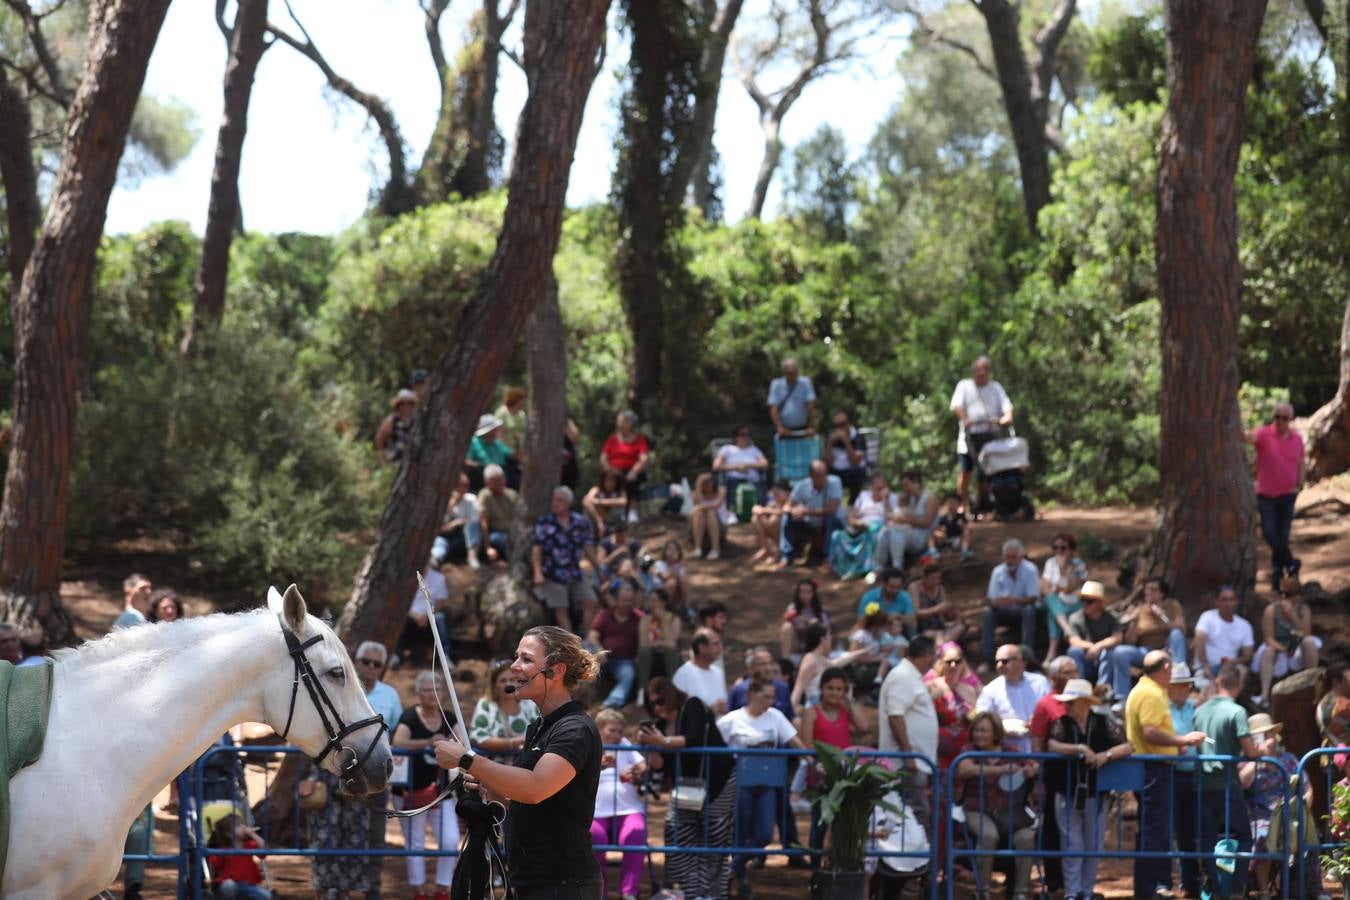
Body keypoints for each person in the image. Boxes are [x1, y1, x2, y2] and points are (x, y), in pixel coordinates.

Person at [433, 627, 605, 900]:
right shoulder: (537, 727)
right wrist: (489, 785)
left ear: (556, 670)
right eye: (516, 657)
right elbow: (523, 798)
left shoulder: (574, 729)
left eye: (526, 659)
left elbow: (536, 788)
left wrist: (469, 761)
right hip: (531, 881)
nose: (514, 666)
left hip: (564, 885)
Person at [639, 675, 736, 899]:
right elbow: (661, 765)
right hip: (688, 786)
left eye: (660, 701)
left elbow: (693, 739)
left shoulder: (692, 706)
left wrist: (662, 741)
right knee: (678, 833)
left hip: (718, 780)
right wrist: (650, 744)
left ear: (671, 696)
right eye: (651, 703)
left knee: (715, 837)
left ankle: (713, 893)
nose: (657, 707)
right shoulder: (660, 726)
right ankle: (686, 892)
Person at [1124, 650, 1207, 899]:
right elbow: (1150, 732)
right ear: (1167, 668)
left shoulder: (1146, 690)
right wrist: (1183, 739)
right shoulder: (1150, 694)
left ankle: (1150, 887)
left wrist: (1174, 744)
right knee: (1154, 831)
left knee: (1154, 830)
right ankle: (1148, 889)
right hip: (1154, 769)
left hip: (1154, 767)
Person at [717, 675, 808, 895]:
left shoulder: (776, 716)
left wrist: (810, 759)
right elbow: (713, 743)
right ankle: (741, 881)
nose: (771, 701)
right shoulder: (732, 719)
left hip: (767, 783)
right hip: (740, 783)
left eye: (773, 696)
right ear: (751, 695)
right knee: (740, 833)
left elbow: (794, 740)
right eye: (766, 696)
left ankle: (729, 871)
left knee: (765, 833)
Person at [1045, 679, 1132, 900]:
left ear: (1085, 702)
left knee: (1092, 843)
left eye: (1072, 702)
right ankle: (1072, 892)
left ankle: (1086, 890)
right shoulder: (1061, 724)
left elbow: (1128, 746)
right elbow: (1052, 744)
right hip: (1066, 790)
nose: (1067, 706)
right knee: (1070, 842)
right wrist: (1080, 748)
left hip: (1097, 792)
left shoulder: (1103, 722)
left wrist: (1106, 756)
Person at [1193, 663, 1261, 899]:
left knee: (1207, 838)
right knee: (1244, 836)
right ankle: (1235, 890)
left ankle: (1212, 887)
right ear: (1239, 685)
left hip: (1201, 782)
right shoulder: (1236, 712)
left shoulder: (1199, 711)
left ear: (1218, 682)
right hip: (1226, 782)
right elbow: (1250, 751)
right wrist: (1258, 751)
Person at [955, 711, 1037, 899]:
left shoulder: (1010, 751)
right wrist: (1000, 770)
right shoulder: (969, 750)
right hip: (977, 808)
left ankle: (1021, 892)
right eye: (976, 730)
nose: (979, 735)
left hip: (1009, 811)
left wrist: (1032, 770)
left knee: (1027, 837)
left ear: (995, 732)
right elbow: (965, 769)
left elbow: (1032, 764)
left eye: (984, 731)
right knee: (988, 835)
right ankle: (982, 891)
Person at [393, 672, 460, 900]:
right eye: (427, 689)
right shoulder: (410, 716)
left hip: (442, 791)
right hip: (410, 792)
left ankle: (443, 887)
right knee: (415, 842)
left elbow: (463, 742)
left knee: (450, 840)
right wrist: (427, 742)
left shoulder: (449, 717)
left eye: (437, 689)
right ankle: (418, 889)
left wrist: (449, 744)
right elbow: (398, 742)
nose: (433, 694)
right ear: (418, 693)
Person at [1240, 712, 1310, 900]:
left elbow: (1307, 788)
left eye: (1270, 733)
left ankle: (1312, 888)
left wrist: (1304, 810)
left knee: (1308, 831)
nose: (1269, 739)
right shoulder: (1247, 761)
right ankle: (1264, 890)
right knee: (1265, 834)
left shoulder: (1288, 758)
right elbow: (1243, 783)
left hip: (1290, 810)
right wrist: (1259, 756)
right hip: (1260, 814)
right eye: (1263, 735)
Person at [800, 667, 865, 866]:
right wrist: (821, 766)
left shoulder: (846, 711)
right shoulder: (811, 712)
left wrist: (851, 700)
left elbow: (863, 727)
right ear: (821, 688)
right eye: (830, 688)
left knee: (842, 824)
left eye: (840, 689)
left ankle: (838, 865)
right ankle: (815, 869)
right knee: (819, 825)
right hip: (821, 776)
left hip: (845, 777)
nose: (835, 693)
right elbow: (806, 744)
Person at [878, 636, 939, 835]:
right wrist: (908, 755)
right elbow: (895, 717)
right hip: (907, 763)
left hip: (914, 761)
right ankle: (918, 863)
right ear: (926, 656)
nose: (933, 662)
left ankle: (917, 862)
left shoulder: (909, 676)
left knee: (914, 813)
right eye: (933, 657)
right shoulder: (903, 676)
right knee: (916, 813)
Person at [1244, 400, 1304, 589]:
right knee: (1270, 534)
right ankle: (1291, 563)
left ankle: (1278, 577)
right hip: (1266, 495)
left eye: (1284, 418)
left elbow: (1301, 462)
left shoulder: (1297, 439)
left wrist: (1300, 485)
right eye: (1277, 417)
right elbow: (1247, 438)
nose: (1280, 421)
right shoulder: (1264, 434)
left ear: (1290, 419)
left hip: (1288, 495)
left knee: (1282, 537)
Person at [1100, 576, 1188, 703]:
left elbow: (1182, 629)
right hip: (1146, 652)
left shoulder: (1172, 605)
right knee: (1120, 652)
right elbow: (1130, 641)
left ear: (1162, 593)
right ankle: (1121, 698)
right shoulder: (1139, 609)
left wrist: (1162, 616)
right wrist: (1134, 623)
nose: (1148, 592)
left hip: (1167, 649)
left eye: (1153, 589)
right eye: (1147, 589)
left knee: (1176, 634)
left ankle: (1180, 674)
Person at [590, 708, 647, 900]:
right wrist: (599, 764)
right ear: (600, 729)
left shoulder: (624, 744)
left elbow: (642, 764)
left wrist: (637, 770)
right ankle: (600, 893)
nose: (616, 735)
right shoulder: (591, 744)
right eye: (611, 730)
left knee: (636, 833)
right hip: (595, 811)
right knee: (592, 839)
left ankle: (629, 892)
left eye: (619, 731)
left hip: (628, 808)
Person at [532, 486, 601, 631]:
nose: (555, 503)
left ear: (568, 503)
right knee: (562, 610)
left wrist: (598, 568)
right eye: (554, 500)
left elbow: (588, 547)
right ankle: (571, 646)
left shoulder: (580, 521)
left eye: (560, 500)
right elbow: (537, 549)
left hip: (575, 571)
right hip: (553, 573)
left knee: (592, 601)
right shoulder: (545, 522)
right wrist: (537, 573)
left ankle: (586, 636)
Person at [950, 355, 1013, 514]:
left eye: (985, 370)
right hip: (969, 438)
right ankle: (962, 504)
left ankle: (982, 503)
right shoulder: (964, 386)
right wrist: (964, 419)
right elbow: (956, 405)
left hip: (991, 439)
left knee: (986, 472)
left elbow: (1007, 406)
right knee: (966, 470)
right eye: (978, 370)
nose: (981, 373)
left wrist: (1007, 417)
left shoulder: (995, 388)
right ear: (973, 371)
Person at [1253, 577, 1321, 707]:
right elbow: (1269, 638)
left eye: (1288, 594)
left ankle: (1313, 687)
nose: (1284, 596)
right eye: (1281, 592)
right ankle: (1264, 695)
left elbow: (1305, 634)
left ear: (1298, 595)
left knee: (1309, 642)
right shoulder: (1271, 610)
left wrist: (1293, 616)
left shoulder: (1304, 609)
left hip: (1298, 646)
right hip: (1278, 646)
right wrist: (1284, 649)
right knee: (1268, 651)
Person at [975, 643, 1049, 754]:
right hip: (1007, 757)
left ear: (1020, 661)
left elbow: (1051, 711)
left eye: (1004, 661)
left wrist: (1038, 720)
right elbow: (980, 721)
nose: (999, 665)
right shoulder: (990, 690)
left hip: (1041, 753)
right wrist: (1006, 726)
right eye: (997, 662)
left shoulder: (1040, 683)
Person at [980, 539, 1040, 666]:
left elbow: (1033, 597)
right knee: (989, 614)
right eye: (1007, 557)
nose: (1010, 561)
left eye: (1013, 557)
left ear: (1021, 557)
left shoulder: (1030, 569)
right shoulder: (997, 572)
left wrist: (1012, 600)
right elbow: (992, 600)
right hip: (1004, 612)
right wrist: (999, 603)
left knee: (1029, 610)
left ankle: (1026, 656)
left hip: (1023, 611)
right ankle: (987, 659)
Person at [469, 658, 541, 762]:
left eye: (512, 680)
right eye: (503, 681)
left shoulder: (529, 704)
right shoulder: (486, 705)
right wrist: (513, 742)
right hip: (491, 766)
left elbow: (540, 733)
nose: (508, 684)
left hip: (524, 768)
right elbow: (477, 737)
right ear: (494, 686)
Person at [587, 578, 643, 708]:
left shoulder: (639, 617)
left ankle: (612, 702)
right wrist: (599, 649)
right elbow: (592, 635)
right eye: (624, 600)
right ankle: (582, 698)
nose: (627, 604)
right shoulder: (604, 615)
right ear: (616, 600)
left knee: (628, 674)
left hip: (625, 661)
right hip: (603, 658)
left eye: (630, 601)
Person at [828, 472, 894, 580]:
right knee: (836, 535)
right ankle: (841, 567)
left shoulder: (892, 498)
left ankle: (867, 568)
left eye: (883, 486)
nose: (880, 489)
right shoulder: (864, 496)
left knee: (873, 531)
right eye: (877, 486)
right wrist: (855, 523)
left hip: (878, 528)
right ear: (871, 487)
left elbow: (891, 519)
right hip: (860, 527)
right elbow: (852, 515)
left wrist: (885, 500)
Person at [925, 642, 979, 773]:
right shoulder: (931, 686)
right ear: (942, 663)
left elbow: (976, 717)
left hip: (963, 751)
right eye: (949, 662)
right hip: (938, 749)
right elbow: (922, 710)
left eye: (957, 661)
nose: (953, 665)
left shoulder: (970, 690)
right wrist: (936, 694)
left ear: (962, 664)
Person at [779, 460, 844, 567]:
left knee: (831, 518)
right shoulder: (802, 485)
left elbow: (832, 509)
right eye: (819, 475)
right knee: (787, 517)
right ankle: (786, 556)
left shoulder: (835, 482)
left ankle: (828, 558)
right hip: (811, 526)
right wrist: (794, 511)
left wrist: (805, 511)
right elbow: (786, 506)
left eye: (824, 474)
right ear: (811, 476)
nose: (823, 478)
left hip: (833, 526)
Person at [875, 471, 938, 575]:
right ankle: (879, 567)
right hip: (909, 533)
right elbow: (892, 514)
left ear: (916, 482)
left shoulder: (930, 498)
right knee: (885, 531)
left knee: (895, 531)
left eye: (906, 485)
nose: (905, 489)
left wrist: (905, 520)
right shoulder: (910, 499)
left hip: (924, 537)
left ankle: (897, 567)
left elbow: (927, 522)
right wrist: (885, 500)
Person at [1193, 584, 1256, 687]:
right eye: (1224, 600)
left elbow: (1247, 655)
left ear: (1236, 602)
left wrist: (1233, 662)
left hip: (1229, 669)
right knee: (1207, 687)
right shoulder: (1207, 617)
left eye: (1231, 600)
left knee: (1242, 670)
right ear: (1217, 602)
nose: (1228, 604)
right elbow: (1200, 643)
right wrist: (1205, 666)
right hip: (1205, 668)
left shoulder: (1244, 625)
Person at [1040, 533, 1088, 665]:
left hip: (1073, 603)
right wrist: (1058, 587)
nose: (1059, 551)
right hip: (1056, 601)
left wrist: (1063, 570)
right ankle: (1067, 629)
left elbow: (1069, 588)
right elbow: (1045, 588)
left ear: (1071, 549)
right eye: (1056, 548)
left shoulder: (1078, 564)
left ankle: (1051, 653)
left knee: (1053, 614)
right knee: (1051, 598)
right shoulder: (1050, 563)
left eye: (1063, 548)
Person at [396, 564, 453, 667]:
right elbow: (401, 603)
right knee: (399, 619)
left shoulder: (439, 578)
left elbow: (440, 602)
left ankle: (445, 655)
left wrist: (428, 615)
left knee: (441, 619)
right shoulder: (407, 577)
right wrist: (415, 616)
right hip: (411, 614)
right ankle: (395, 655)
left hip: (432, 613)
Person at [601, 410, 651, 524]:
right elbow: (603, 457)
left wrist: (634, 471)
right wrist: (609, 468)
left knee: (632, 481)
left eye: (623, 421)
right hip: (613, 471)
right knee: (612, 480)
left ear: (630, 423)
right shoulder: (612, 439)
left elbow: (643, 458)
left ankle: (632, 512)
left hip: (632, 471)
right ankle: (616, 512)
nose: (619, 423)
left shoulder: (639, 440)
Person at [1064, 580, 1118, 685]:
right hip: (1085, 661)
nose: (1084, 604)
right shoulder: (1075, 618)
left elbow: (1117, 638)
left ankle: (1102, 689)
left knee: (1110, 653)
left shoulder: (1111, 618)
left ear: (1099, 603)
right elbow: (1073, 641)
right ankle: (1079, 688)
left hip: (1104, 661)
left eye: (1089, 601)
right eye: (1082, 600)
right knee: (1073, 651)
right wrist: (1091, 647)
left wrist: (1098, 647)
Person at [207, 814, 270, 900]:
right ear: (228, 833)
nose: (243, 827)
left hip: (249, 885)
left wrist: (253, 834)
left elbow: (265, 849)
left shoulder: (249, 845)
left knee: (267, 896)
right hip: (231, 885)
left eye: (242, 824)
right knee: (228, 886)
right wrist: (211, 879)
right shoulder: (225, 850)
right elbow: (214, 863)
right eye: (238, 826)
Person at [673, 628, 728, 715]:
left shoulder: (718, 672)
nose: (720, 648)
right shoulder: (683, 674)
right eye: (715, 644)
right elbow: (677, 712)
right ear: (702, 648)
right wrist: (708, 711)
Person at [728, 647, 794, 720]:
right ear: (752, 668)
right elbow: (730, 717)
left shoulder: (783, 688)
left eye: (770, 663)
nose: (768, 668)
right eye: (762, 664)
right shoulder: (739, 690)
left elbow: (790, 717)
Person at [637, 588, 682, 693]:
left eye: (654, 600)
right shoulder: (645, 619)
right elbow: (643, 643)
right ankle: (642, 690)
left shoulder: (675, 619)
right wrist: (660, 644)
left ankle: (673, 689)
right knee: (643, 651)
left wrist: (664, 621)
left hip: (669, 655)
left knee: (672, 652)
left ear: (663, 602)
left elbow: (672, 644)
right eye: (649, 600)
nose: (651, 603)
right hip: (650, 655)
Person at [432, 473, 482, 569]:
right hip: (447, 537)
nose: (466, 488)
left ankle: (472, 557)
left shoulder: (471, 499)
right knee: (440, 543)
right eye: (463, 485)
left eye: (467, 485)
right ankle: (435, 558)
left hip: (464, 538)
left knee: (472, 526)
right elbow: (440, 524)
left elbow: (474, 520)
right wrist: (451, 504)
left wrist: (457, 522)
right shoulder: (443, 500)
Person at [910, 562, 965, 643]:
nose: (936, 582)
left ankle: (944, 642)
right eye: (932, 579)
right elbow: (915, 613)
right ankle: (945, 643)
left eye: (938, 578)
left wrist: (951, 612)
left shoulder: (940, 589)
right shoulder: (915, 587)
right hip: (924, 630)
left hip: (940, 627)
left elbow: (947, 615)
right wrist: (935, 610)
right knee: (933, 635)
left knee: (960, 627)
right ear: (924, 577)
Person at [713, 425, 769, 505]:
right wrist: (737, 468)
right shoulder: (727, 449)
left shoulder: (754, 450)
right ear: (736, 436)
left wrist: (748, 465)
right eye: (743, 434)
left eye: (748, 434)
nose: (746, 437)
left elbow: (765, 463)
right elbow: (716, 466)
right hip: (733, 481)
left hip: (753, 481)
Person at [780, 578, 830, 661]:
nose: (804, 596)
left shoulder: (821, 611)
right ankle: (786, 661)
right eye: (802, 592)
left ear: (813, 593)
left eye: (808, 592)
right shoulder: (793, 608)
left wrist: (811, 624)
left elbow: (826, 632)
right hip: (797, 644)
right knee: (786, 626)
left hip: (814, 645)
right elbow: (787, 631)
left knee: (815, 624)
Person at [822, 409, 868, 501]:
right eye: (837, 426)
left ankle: (853, 503)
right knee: (822, 472)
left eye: (843, 424)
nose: (840, 428)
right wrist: (830, 443)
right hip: (835, 471)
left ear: (849, 423)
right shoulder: (831, 437)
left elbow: (855, 460)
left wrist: (846, 441)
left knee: (857, 472)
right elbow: (828, 462)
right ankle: (830, 503)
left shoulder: (858, 437)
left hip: (852, 472)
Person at [478, 464, 519, 564]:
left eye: (501, 479)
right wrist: (488, 548)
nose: (500, 483)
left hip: (514, 532)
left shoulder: (512, 494)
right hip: (496, 534)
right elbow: (484, 522)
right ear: (487, 482)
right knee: (503, 540)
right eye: (495, 481)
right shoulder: (485, 495)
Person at [767, 356, 817, 436]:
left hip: (803, 429)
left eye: (794, 371)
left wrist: (812, 426)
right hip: (784, 431)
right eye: (789, 372)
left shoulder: (805, 382)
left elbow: (810, 406)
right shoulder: (776, 384)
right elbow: (773, 408)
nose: (791, 374)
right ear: (783, 372)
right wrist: (780, 427)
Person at [857, 568, 916, 634]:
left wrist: (899, 617)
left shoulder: (905, 596)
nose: (895, 591)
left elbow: (912, 619)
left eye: (898, 587)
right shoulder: (869, 597)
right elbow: (861, 620)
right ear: (884, 583)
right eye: (891, 587)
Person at [467, 414, 516, 490]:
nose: (496, 431)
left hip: (503, 474)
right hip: (481, 477)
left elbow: (512, 455)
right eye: (494, 429)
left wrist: (517, 445)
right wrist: (481, 466)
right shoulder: (474, 443)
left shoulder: (497, 443)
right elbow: (467, 461)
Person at [688, 472, 727, 559]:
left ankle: (716, 548)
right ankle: (697, 548)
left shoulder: (721, 491)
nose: (708, 484)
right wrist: (698, 484)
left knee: (710, 512)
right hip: (700, 524)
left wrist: (698, 508)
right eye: (705, 482)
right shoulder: (695, 494)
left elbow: (716, 505)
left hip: (719, 525)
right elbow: (700, 504)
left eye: (710, 481)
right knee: (699, 514)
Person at [751, 481, 791, 563]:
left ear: (787, 492)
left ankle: (779, 551)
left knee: (774, 520)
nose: (775, 497)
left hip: (792, 533)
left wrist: (765, 510)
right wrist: (758, 509)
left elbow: (784, 511)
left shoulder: (791, 500)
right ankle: (765, 549)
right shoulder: (774, 502)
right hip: (772, 528)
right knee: (756, 518)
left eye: (778, 494)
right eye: (774, 494)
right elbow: (761, 510)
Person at [583, 471, 629, 540]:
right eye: (608, 479)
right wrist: (599, 520)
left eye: (613, 480)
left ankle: (619, 534)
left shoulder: (619, 491)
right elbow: (587, 500)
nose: (611, 483)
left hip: (612, 522)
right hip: (596, 522)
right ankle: (591, 534)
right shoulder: (596, 489)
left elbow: (623, 502)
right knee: (588, 505)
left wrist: (600, 502)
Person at [375, 388, 417, 463]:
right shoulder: (392, 420)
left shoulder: (416, 420)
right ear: (398, 405)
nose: (406, 405)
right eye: (403, 403)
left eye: (409, 402)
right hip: (393, 461)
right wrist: (382, 458)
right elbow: (379, 439)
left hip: (410, 463)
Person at [928, 492, 972, 560]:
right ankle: (933, 551)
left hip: (958, 540)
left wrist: (962, 526)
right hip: (947, 540)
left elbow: (965, 529)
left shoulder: (960, 516)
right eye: (949, 502)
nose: (951, 505)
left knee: (966, 532)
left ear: (959, 504)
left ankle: (964, 550)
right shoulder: (944, 518)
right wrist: (939, 533)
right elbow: (937, 529)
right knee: (931, 534)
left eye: (954, 503)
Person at [651, 541, 689, 613]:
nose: (672, 552)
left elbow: (683, 582)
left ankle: (686, 608)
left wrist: (678, 568)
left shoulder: (680, 566)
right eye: (669, 549)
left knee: (682, 580)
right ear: (665, 551)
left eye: (674, 550)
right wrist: (676, 567)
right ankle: (667, 609)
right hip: (659, 591)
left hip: (677, 594)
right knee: (671, 582)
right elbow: (664, 577)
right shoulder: (658, 564)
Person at [495, 386, 528, 457]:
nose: (524, 403)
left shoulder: (521, 414)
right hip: (504, 452)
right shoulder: (502, 413)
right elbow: (499, 435)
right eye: (522, 400)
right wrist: (508, 451)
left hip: (519, 452)